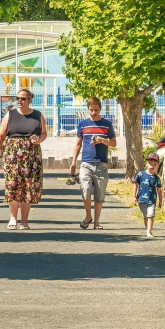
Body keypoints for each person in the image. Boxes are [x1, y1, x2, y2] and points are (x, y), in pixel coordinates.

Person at [0, 89, 47, 229]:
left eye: (23, 99)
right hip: (12, 155)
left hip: (31, 156)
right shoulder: (10, 114)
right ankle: (13, 218)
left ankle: (25, 221)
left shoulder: (37, 115)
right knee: (12, 186)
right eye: (18, 98)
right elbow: (1, 136)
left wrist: (39, 140)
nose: (19, 101)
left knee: (28, 187)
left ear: (30, 100)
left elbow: (44, 133)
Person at [69, 97, 116, 230]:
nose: (94, 112)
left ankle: (96, 222)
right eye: (91, 110)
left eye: (96, 109)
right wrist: (73, 163)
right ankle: (88, 215)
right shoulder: (83, 124)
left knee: (100, 195)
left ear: (100, 108)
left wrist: (102, 140)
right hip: (86, 163)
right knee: (85, 190)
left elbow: (113, 142)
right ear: (88, 109)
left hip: (101, 163)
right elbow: (78, 144)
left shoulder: (107, 124)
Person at [133, 153, 164, 238]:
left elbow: (159, 190)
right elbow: (136, 185)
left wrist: (160, 201)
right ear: (146, 163)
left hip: (152, 200)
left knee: (151, 215)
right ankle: (148, 230)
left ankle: (149, 232)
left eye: (155, 164)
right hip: (142, 199)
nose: (152, 166)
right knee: (145, 216)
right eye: (150, 163)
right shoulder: (141, 174)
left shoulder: (157, 178)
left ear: (158, 166)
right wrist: (134, 196)